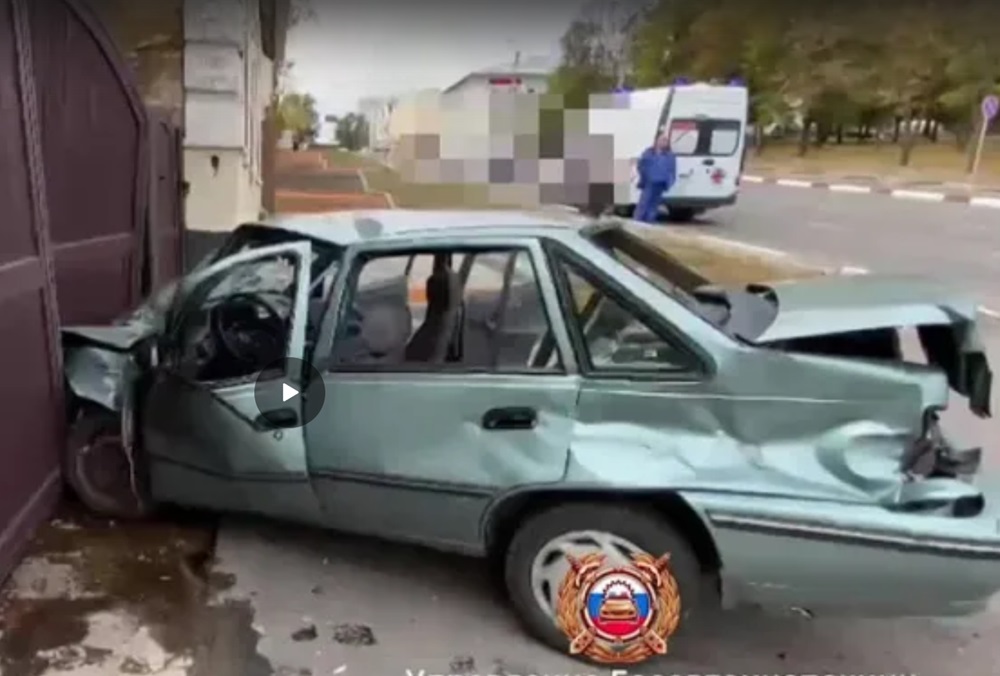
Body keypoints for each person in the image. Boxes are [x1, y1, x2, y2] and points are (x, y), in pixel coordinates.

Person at [634, 134, 677, 223]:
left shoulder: (669, 155)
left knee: (654, 204)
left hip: (661, 183)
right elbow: (641, 165)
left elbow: (672, 169)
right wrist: (644, 176)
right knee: (644, 202)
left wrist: (671, 180)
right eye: (662, 140)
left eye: (666, 141)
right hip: (650, 182)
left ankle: (650, 220)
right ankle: (638, 220)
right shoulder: (649, 153)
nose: (664, 142)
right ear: (657, 141)